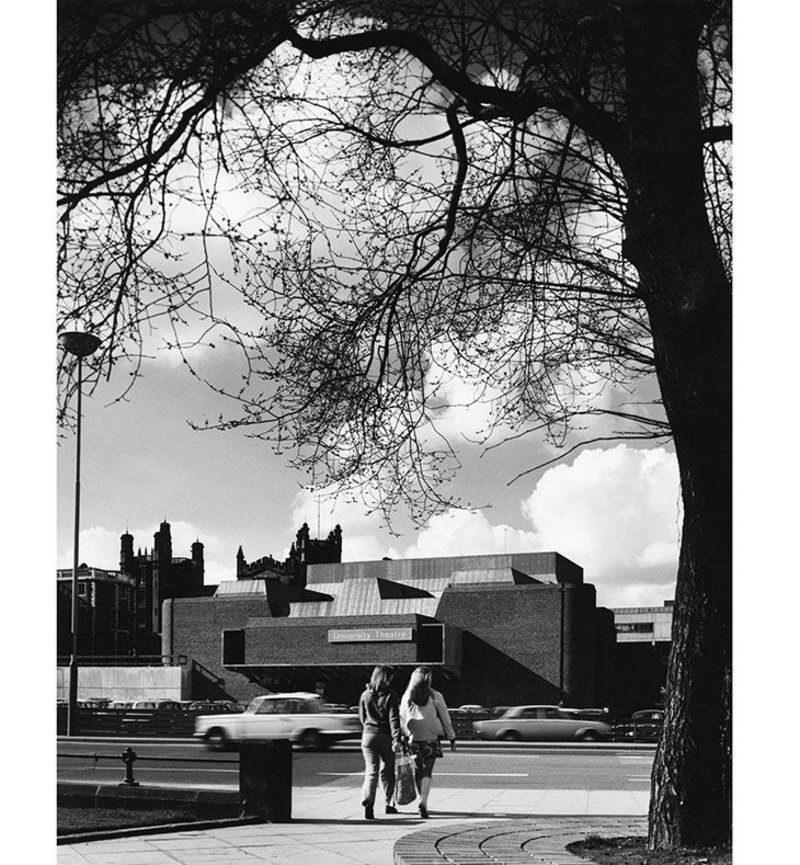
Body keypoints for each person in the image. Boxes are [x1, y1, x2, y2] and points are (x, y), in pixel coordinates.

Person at [399, 665, 456, 819]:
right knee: (427, 771)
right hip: (431, 738)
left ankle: (420, 799)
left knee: (418, 770)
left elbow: (402, 717)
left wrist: (404, 736)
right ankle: (424, 801)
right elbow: (445, 717)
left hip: (413, 738)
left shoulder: (407, 696)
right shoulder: (436, 695)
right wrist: (451, 737)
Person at [358, 665, 402, 820]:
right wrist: (397, 738)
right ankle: (389, 804)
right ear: (386, 677)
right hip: (386, 736)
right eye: (390, 677)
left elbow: (362, 717)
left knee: (371, 770)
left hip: (368, 735)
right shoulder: (391, 695)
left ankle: (368, 802)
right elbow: (394, 719)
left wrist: (369, 727)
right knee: (388, 771)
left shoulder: (365, 695)